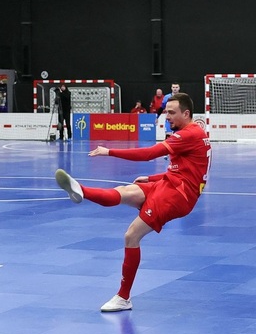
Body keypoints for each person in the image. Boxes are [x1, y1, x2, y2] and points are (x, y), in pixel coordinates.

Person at [55, 93, 211, 312]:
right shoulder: (195, 133)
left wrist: (109, 151)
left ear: (186, 114)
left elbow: (149, 154)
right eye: (166, 112)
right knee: (126, 191)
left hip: (177, 195)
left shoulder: (188, 134)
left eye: (171, 113)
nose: (167, 117)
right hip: (170, 184)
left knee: (131, 236)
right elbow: (188, 172)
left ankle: (123, 297)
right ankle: (81, 190)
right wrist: (152, 178)